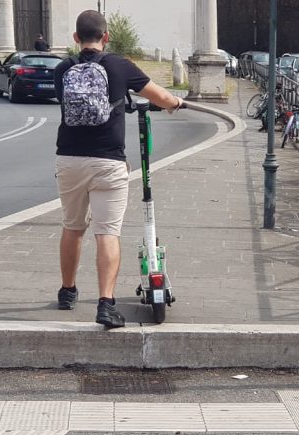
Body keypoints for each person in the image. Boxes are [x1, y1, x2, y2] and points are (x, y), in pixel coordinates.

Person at [53, 10, 183, 329]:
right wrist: (176, 104)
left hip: (69, 158)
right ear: (106, 37)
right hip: (108, 161)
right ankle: (106, 304)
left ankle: (67, 292)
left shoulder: (62, 69)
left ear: (75, 38)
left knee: (72, 226)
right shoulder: (118, 65)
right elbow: (162, 97)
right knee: (107, 233)